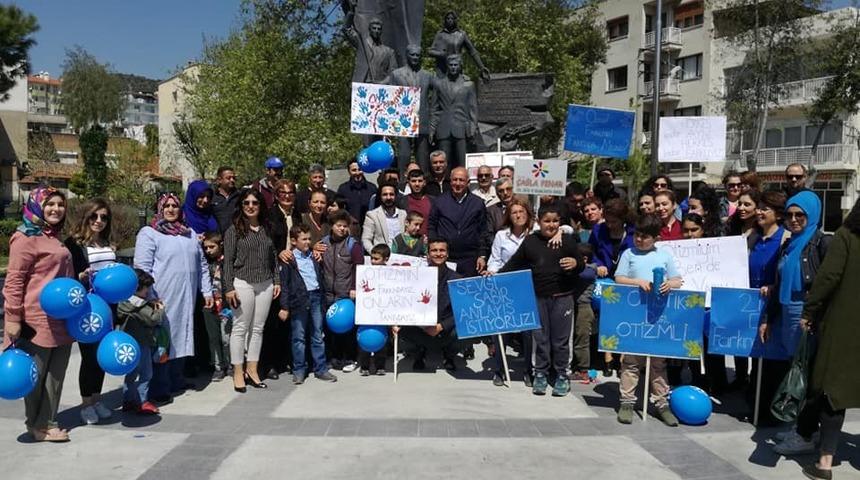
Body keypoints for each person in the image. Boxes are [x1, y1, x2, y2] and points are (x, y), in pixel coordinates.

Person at [793, 199, 860, 480]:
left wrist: (810, 311)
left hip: (846, 326)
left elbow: (828, 277)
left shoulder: (847, 236)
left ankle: (825, 463)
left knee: (833, 391)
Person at [3, 186, 74, 442]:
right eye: (50, 204)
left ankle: (49, 421)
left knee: (55, 375)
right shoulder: (25, 237)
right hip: (36, 318)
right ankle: (36, 424)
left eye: (60, 204)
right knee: (36, 375)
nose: (56, 209)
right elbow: (14, 281)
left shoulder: (53, 236)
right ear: (36, 205)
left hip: (63, 317)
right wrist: (12, 317)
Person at [764, 191, 830, 456]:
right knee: (797, 372)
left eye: (800, 215)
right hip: (787, 313)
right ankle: (802, 427)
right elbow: (778, 283)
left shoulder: (821, 243)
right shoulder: (789, 245)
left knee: (807, 376)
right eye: (789, 215)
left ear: (811, 215)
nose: (793, 219)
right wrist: (769, 318)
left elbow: (828, 285)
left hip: (806, 316)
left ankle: (806, 433)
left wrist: (813, 315)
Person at [134, 193, 213, 403]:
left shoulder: (189, 233)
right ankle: (159, 386)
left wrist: (206, 291)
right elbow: (142, 268)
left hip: (186, 296)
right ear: (159, 209)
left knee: (183, 336)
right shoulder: (150, 233)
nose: (170, 209)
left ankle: (177, 379)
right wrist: (149, 297)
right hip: (161, 296)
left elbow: (202, 265)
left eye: (174, 206)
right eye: (166, 206)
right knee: (162, 340)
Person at [498, 206, 585, 396]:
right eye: (547, 221)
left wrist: (575, 263)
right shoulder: (530, 241)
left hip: (563, 298)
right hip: (538, 298)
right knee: (540, 338)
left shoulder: (567, 241)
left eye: (555, 221)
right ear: (538, 221)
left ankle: (562, 375)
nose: (551, 225)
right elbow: (513, 264)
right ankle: (540, 374)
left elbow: (581, 263)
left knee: (561, 341)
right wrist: (495, 277)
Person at [613, 214, 683, 426]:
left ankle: (662, 403)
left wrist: (669, 284)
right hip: (634, 317)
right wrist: (637, 282)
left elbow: (677, 280)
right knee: (630, 362)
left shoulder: (664, 256)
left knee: (658, 363)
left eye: (645, 237)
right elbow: (619, 278)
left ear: (656, 238)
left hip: (657, 317)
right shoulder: (628, 254)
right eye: (637, 235)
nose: (639, 240)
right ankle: (627, 402)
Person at [64, 198, 117, 425]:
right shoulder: (73, 244)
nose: (99, 221)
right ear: (86, 216)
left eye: (104, 217)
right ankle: (86, 404)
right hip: (87, 310)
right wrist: (81, 277)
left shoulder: (108, 243)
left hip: (109, 307)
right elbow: (66, 276)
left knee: (101, 356)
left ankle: (97, 399)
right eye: (94, 216)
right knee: (89, 357)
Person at [223, 189, 281, 393]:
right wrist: (228, 287)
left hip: (265, 283)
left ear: (260, 206)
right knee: (240, 328)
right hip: (242, 283)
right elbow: (228, 262)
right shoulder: (234, 230)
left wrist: (276, 280)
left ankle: (252, 369)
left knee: (258, 329)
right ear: (241, 206)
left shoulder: (267, 227)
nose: (250, 206)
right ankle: (238, 372)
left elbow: (273, 256)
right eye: (246, 203)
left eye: (254, 202)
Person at [486, 198, 536, 386]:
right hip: (505, 286)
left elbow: (563, 229)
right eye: (514, 212)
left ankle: (528, 370)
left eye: (522, 211)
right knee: (502, 329)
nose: (518, 215)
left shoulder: (536, 233)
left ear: (528, 214)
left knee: (528, 332)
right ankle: (499, 369)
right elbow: (495, 259)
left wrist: (559, 233)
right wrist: (492, 271)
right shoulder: (501, 235)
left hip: (529, 287)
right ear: (509, 216)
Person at [280, 224, 337, 384]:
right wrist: (284, 306)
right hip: (298, 300)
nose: (307, 242)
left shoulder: (314, 256)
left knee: (318, 335)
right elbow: (284, 285)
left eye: (309, 239)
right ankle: (299, 369)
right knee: (298, 337)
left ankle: (321, 368)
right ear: (293, 241)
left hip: (316, 296)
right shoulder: (289, 259)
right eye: (303, 239)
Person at [397, 238, 463, 371]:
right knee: (400, 330)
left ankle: (449, 355)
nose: (438, 254)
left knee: (464, 329)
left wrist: (441, 326)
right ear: (428, 254)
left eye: (442, 250)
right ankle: (418, 354)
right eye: (434, 250)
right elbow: (407, 303)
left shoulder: (457, 279)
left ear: (447, 254)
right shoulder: (416, 277)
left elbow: (461, 311)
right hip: (421, 327)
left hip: (445, 329)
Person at [117, 269, 165, 416]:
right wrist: (160, 309)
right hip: (142, 342)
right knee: (146, 373)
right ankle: (142, 401)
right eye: (146, 288)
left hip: (129, 343)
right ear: (138, 288)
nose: (148, 291)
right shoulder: (139, 306)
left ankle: (128, 399)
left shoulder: (124, 302)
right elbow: (153, 319)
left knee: (131, 374)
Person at [321, 210, 364, 372]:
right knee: (331, 329)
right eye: (339, 225)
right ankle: (335, 357)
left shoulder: (353, 245)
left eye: (345, 226)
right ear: (332, 226)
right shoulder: (323, 243)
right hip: (328, 294)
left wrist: (354, 287)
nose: (342, 229)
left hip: (345, 294)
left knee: (348, 329)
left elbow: (359, 268)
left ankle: (351, 358)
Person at [427, 167, 490, 276]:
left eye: (461, 180)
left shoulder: (477, 203)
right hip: (445, 258)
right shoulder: (439, 202)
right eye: (455, 180)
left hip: (470, 259)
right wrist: (433, 250)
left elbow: (483, 231)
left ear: (468, 182)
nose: (457, 183)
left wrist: (482, 255)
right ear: (450, 181)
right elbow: (432, 226)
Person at [430, 54, 477, 169]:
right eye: (451, 65)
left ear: (460, 66)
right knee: (443, 164)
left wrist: (472, 129)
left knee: (463, 163)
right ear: (447, 66)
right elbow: (434, 109)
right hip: (443, 128)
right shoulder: (439, 84)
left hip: (462, 129)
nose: (453, 67)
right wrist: (432, 129)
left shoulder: (468, 85)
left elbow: (473, 109)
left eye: (456, 65)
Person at [358, 244, 391, 376]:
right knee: (365, 338)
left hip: (383, 312)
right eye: (372, 258)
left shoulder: (391, 274)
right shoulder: (366, 272)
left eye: (376, 259)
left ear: (386, 259)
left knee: (381, 339)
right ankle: (364, 366)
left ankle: (380, 366)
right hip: (367, 311)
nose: (373, 261)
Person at [428, 10, 490, 80]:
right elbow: (430, 51)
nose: (450, 20)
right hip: (442, 71)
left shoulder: (461, 34)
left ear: (455, 20)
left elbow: (472, 51)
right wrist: (441, 54)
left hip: (456, 70)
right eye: (448, 18)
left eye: (452, 18)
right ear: (445, 20)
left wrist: (481, 67)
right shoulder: (440, 34)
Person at [202, 232, 230, 382]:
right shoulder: (205, 263)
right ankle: (218, 367)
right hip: (209, 306)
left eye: (211, 247)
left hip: (226, 305)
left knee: (227, 338)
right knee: (213, 338)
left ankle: (230, 364)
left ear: (221, 245)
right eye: (206, 247)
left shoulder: (228, 262)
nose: (208, 250)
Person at [362, 182, 406, 253]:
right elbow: (366, 239)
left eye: (391, 194)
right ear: (380, 196)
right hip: (382, 256)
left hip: (401, 256)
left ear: (396, 196)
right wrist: (376, 254)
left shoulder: (403, 214)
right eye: (385, 194)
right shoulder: (372, 215)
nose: (388, 197)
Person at [337, 157, 377, 226]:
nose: (357, 173)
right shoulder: (343, 189)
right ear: (349, 172)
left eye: (360, 169)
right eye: (354, 170)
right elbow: (340, 210)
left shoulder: (372, 188)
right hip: (350, 227)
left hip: (369, 226)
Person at [396, 169, 433, 236]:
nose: (417, 184)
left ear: (424, 182)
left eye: (420, 181)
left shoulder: (432, 201)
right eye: (413, 181)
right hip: (409, 240)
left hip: (429, 239)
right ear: (408, 183)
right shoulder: (402, 202)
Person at [211, 166, 239, 233]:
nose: (232, 180)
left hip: (236, 235)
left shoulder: (239, 196)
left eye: (234, 178)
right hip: (217, 236)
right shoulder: (211, 196)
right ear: (219, 180)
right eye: (228, 178)